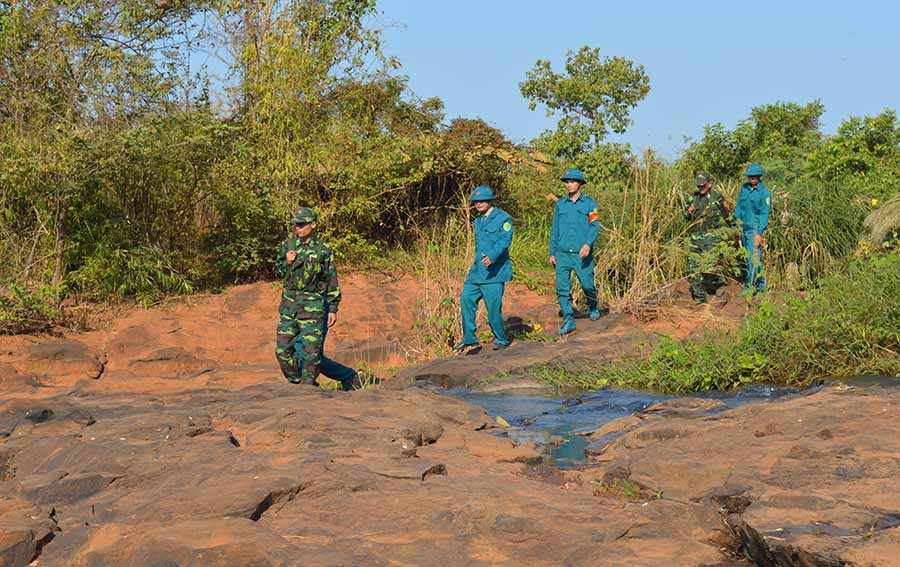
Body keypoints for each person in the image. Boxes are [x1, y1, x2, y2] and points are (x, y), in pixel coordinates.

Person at [274, 207, 358, 389]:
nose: (298, 228)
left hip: (313, 305)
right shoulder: (287, 246)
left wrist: (333, 308)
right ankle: (297, 382)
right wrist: (287, 263)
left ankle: (307, 388)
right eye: (296, 224)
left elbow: (331, 279)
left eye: (302, 224)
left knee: (311, 353)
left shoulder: (323, 251)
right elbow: (277, 272)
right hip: (289, 305)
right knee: (282, 351)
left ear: (313, 225)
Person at [453, 185, 513, 352]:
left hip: (495, 272)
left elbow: (505, 240)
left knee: (493, 308)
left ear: (490, 201)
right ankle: (469, 339)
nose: (478, 204)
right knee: (466, 298)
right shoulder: (478, 220)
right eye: (476, 201)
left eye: (482, 200)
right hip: (477, 272)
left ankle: (501, 338)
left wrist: (492, 256)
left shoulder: (503, 218)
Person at [549, 168, 601, 336]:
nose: (569, 185)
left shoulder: (589, 203)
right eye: (567, 182)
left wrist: (587, 244)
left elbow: (595, 225)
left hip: (581, 253)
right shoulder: (560, 204)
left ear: (579, 184)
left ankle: (593, 305)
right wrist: (552, 252)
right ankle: (568, 320)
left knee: (587, 285)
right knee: (562, 289)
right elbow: (554, 230)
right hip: (562, 253)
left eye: (573, 181)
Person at [684, 171, 733, 303]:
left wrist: (736, 229)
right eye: (698, 186)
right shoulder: (692, 198)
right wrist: (689, 212)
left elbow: (727, 215)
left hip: (711, 239)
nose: (700, 188)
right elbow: (686, 217)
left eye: (703, 185)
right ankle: (699, 301)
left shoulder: (717, 197)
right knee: (693, 270)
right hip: (695, 239)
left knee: (709, 268)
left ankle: (718, 286)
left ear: (709, 184)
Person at [733, 163, 772, 294]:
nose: (752, 179)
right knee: (750, 257)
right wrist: (736, 227)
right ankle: (761, 285)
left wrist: (759, 234)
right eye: (750, 177)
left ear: (760, 177)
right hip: (743, 227)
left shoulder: (765, 193)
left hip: (754, 229)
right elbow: (738, 207)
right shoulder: (744, 189)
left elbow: (764, 214)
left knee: (753, 258)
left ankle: (750, 287)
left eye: (754, 177)